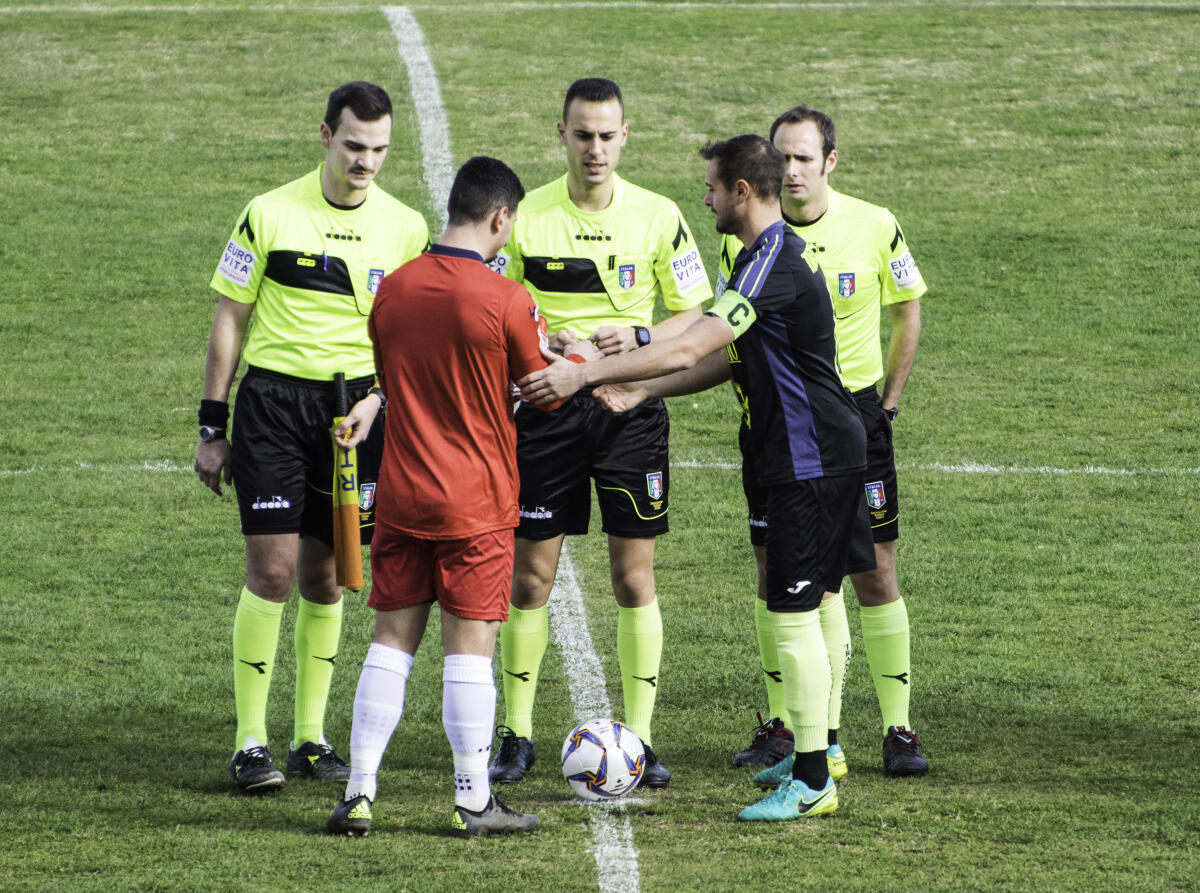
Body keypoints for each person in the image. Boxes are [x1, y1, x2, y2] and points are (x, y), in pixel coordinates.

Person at [520, 134, 872, 822]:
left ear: (741, 191)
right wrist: (644, 387)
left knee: (794, 613)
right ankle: (818, 752)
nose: (705, 199)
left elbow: (689, 346)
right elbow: (724, 357)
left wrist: (585, 374)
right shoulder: (762, 257)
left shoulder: (770, 262)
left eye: (712, 187)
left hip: (811, 459)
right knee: (805, 606)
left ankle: (813, 780)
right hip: (811, 453)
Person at [323, 156, 590, 838]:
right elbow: (542, 392)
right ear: (500, 217)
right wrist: (578, 359)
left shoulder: (394, 289)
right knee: (469, 652)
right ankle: (473, 799)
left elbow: (392, 380)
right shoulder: (506, 298)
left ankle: (358, 793)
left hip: (403, 495)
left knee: (390, 645)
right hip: (476, 502)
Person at [195, 81, 429, 794]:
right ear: (325, 136)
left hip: (354, 415)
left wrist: (381, 400)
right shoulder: (269, 212)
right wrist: (212, 423)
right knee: (271, 571)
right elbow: (231, 317)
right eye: (354, 145)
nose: (366, 162)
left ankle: (309, 738)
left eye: (379, 149)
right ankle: (249, 742)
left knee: (327, 577)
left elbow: (412, 337)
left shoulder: (406, 227)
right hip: (273, 405)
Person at [486, 77, 712, 788]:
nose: (595, 148)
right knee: (531, 578)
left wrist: (640, 335)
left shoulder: (659, 215)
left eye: (607, 135)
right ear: (562, 134)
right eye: (582, 134)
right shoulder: (528, 217)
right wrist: (544, 341)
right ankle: (517, 734)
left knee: (632, 576)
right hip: (547, 410)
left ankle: (638, 739)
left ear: (625, 136)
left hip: (628, 410)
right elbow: (494, 302)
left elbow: (696, 314)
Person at [721, 105, 929, 780]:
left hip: (852, 420)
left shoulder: (873, 224)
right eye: (781, 156)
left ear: (830, 162)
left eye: (804, 157)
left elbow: (907, 308)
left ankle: (896, 726)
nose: (792, 169)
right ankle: (798, 730)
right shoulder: (747, 240)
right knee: (781, 574)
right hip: (777, 425)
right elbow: (734, 337)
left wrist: (887, 405)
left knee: (873, 572)